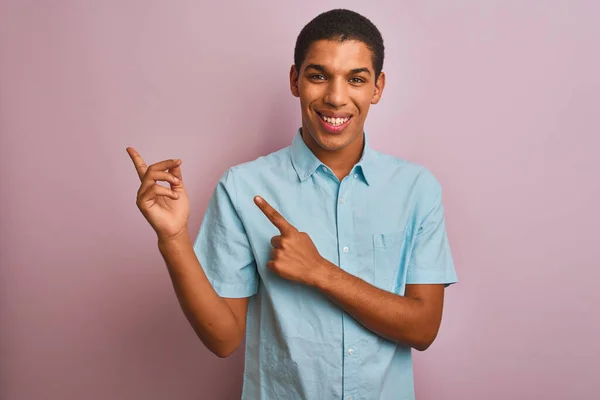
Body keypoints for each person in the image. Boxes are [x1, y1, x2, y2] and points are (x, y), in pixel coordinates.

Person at [127, 8, 457, 400]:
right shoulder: (243, 186)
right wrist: (173, 238)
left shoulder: (416, 189)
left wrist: (319, 271)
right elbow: (224, 339)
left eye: (355, 79)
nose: (336, 98)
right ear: (295, 80)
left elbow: (422, 329)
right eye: (318, 75)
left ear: (377, 88)